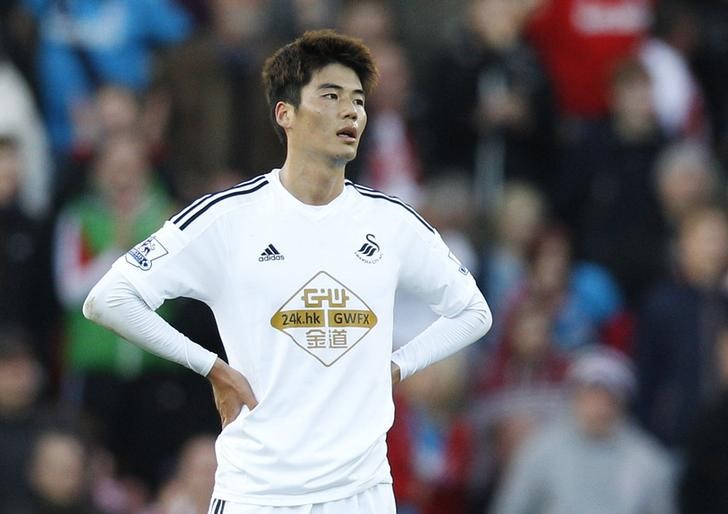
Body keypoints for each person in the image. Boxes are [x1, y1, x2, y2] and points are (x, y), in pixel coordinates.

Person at [83, 29, 492, 513]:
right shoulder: (227, 217)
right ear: (286, 114)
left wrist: (397, 366)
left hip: (361, 495)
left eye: (358, 101)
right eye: (331, 96)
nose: (351, 112)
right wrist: (211, 367)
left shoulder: (391, 221)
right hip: (258, 494)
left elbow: (473, 311)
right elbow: (108, 299)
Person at [490, 347, 676, 514]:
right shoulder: (539, 450)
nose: (598, 406)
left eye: (607, 398)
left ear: (622, 403)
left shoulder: (649, 461)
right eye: (590, 395)